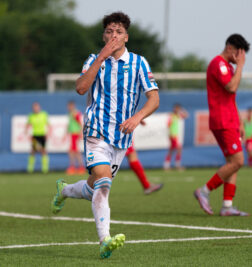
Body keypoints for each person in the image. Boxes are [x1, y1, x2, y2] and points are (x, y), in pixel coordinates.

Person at [50, 12, 160, 259]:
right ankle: (105, 241)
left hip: (121, 139)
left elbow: (154, 98)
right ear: (103, 35)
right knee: (104, 182)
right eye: (109, 31)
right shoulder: (93, 59)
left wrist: (137, 117)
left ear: (126, 37)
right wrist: (101, 57)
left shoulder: (139, 63)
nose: (114, 36)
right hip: (96, 132)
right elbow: (80, 88)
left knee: (94, 188)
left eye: (119, 32)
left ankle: (65, 191)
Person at [194, 34, 250, 216]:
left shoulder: (227, 67)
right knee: (238, 161)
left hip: (231, 120)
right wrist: (241, 66)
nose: (240, 59)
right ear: (230, 49)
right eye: (239, 54)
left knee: (233, 163)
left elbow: (231, 98)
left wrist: (240, 121)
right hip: (223, 120)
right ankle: (204, 191)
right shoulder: (218, 64)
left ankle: (227, 206)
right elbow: (231, 88)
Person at [25, 102, 50, 174]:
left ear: (39, 108)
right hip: (35, 135)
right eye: (34, 107)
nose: (35, 109)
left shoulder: (43, 114)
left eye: (37, 107)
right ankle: (30, 169)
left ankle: (45, 169)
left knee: (43, 151)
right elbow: (28, 124)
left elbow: (48, 124)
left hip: (42, 135)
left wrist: (48, 133)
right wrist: (26, 131)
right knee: (33, 151)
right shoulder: (31, 116)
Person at [163, 103, 188, 171]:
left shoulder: (177, 115)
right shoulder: (172, 116)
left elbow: (186, 115)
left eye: (178, 108)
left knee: (171, 150)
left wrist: (181, 110)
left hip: (175, 135)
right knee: (179, 149)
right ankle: (177, 165)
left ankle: (166, 165)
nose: (176, 109)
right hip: (172, 135)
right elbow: (168, 124)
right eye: (176, 108)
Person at [66, 101, 86, 175]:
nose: (68, 108)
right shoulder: (71, 113)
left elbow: (80, 123)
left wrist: (81, 132)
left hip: (75, 134)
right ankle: (77, 167)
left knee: (74, 151)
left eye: (69, 106)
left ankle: (76, 167)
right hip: (73, 134)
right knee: (73, 151)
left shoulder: (75, 113)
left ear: (72, 106)